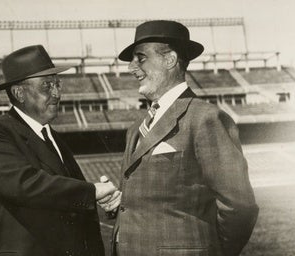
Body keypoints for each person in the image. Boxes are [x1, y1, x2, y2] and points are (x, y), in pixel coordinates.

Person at [109, 20, 259, 256]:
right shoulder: (136, 128)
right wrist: (118, 202)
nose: (131, 68)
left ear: (169, 60)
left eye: (141, 58)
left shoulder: (205, 118)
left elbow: (239, 206)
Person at [0, 45, 117, 256]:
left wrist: (102, 200)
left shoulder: (52, 137)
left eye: (57, 84)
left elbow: (66, 202)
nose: (57, 93)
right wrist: (91, 192)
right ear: (19, 93)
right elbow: (25, 185)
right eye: (47, 86)